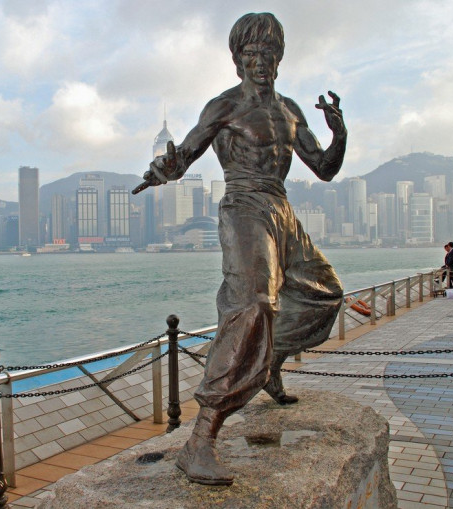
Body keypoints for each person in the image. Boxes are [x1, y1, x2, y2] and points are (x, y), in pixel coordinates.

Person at [135, 12, 346, 485]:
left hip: (282, 209)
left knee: (324, 293)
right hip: (245, 208)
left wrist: (340, 133)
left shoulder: (290, 111)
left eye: (268, 53)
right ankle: (200, 440)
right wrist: (162, 168)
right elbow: (184, 156)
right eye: (252, 54)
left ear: (279, 59)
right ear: (238, 60)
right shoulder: (224, 106)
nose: (261, 62)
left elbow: (325, 168)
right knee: (252, 306)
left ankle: (269, 366)